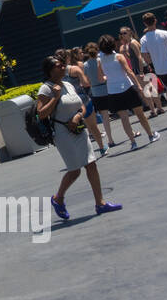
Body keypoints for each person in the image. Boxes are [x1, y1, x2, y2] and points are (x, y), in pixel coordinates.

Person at [38, 56, 122, 220]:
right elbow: (41, 114)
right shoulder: (46, 89)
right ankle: (58, 198)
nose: (63, 67)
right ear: (50, 70)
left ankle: (100, 203)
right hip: (63, 134)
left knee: (91, 164)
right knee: (75, 171)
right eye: (59, 65)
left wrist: (78, 116)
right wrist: (55, 97)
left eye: (63, 64)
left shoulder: (68, 84)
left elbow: (81, 105)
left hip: (79, 130)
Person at [98, 34, 159, 148]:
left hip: (113, 91)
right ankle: (150, 135)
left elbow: (101, 78)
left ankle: (133, 142)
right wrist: (138, 85)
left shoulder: (100, 61)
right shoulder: (119, 57)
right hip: (127, 87)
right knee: (140, 114)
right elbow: (129, 71)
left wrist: (109, 77)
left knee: (124, 118)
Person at [74, 45, 115, 153]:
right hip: (107, 88)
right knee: (121, 111)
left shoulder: (85, 65)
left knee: (105, 116)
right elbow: (106, 74)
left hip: (95, 91)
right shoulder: (100, 60)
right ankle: (131, 132)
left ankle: (110, 140)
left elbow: (86, 81)